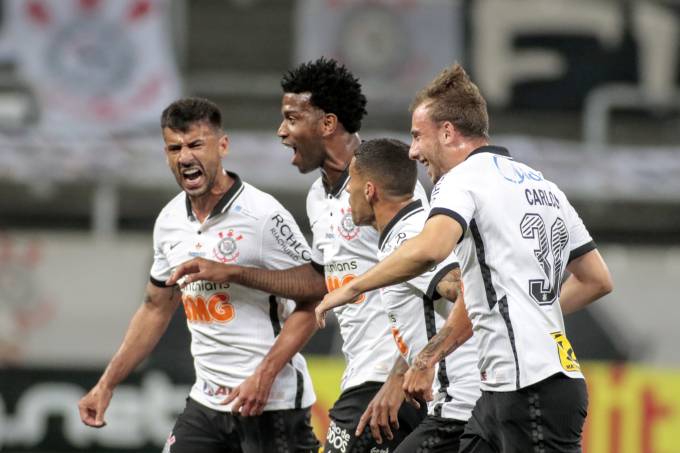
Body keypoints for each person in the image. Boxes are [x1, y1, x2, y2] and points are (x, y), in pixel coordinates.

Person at [317, 64, 614, 453]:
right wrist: (521, 316)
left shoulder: (461, 180)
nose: (413, 151)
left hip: (531, 391)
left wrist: (353, 287)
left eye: (417, 136)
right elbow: (596, 279)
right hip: (499, 394)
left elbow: (431, 249)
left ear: (447, 132)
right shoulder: (540, 183)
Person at [167, 58, 427, 452]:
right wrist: (232, 272)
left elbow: (432, 279)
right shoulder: (318, 197)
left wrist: (400, 374)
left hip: (390, 380)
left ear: (326, 124)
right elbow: (317, 282)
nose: (281, 131)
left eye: (291, 118)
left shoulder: (384, 184)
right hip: (360, 376)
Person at [78, 97, 320, 453]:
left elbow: (315, 294)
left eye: (195, 144)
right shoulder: (169, 221)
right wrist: (107, 384)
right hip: (206, 405)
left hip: (272, 403)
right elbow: (155, 308)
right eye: (174, 147)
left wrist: (264, 376)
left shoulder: (263, 215)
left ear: (222, 146)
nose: (185, 157)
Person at [334, 137, 481, 453]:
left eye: (351, 184)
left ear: (370, 190)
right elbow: (427, 314)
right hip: (455, 403)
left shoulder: (410, 237)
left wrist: (426, 361)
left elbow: (468, 291)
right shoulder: (407, 232)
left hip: (460, 406)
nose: (347, 193)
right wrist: (400, 373)